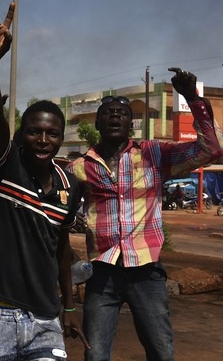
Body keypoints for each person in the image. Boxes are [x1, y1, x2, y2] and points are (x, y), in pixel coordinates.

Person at [67, 68, 223, 361]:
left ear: (131, 124)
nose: (115, 115)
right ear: (98, 123)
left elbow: (213, 149)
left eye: (122, 112)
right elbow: (60, 216)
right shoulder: (80, 166)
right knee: (95, 354)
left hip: (147, 272)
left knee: (161, 352)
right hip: (102, 273)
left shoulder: (155, 154)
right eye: (108, 112)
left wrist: (192, 97)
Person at [0, 3, 88, 360]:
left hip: (46, 319)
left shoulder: (70, 185)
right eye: (34, 132)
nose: (43, 140)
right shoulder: (6, 165)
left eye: (51, 134)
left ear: (60, 138)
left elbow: (61, 250)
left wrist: (68, 307)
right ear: (21, 135)